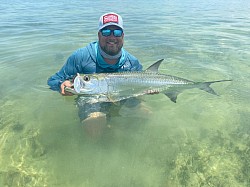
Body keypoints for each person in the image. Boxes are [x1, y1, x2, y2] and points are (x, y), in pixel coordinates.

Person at [47, 12, 143, 136]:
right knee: (95, 124)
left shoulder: (132, 62)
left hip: (121, 97)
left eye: (117, 32)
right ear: (99, 35)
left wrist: (148, 91)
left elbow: (142, 87)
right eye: (106, 32)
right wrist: (61, 85)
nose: (112, 37)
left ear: (123, 36)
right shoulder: (81, 57)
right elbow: (53, 80)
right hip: (92, 102)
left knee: (145, 114)